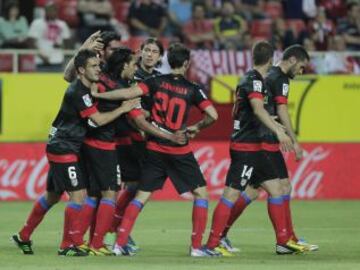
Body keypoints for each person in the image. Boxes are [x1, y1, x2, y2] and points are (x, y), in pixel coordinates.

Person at [91, 43, 219, 257]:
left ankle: (119, 243)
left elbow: (126, 93)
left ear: (168, 61)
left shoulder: (154, 82)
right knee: (201, 194)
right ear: (186, 64)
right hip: (179, 150)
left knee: (141, 196)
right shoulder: (193, 89)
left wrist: (100, 95)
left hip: (154, 149)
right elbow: (213, 115)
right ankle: (196, 247)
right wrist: (196, 127)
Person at [12, 49, 140, 256]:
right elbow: (97, 120)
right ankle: (68, 244)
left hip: (67, 146)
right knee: (79, 195)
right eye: (93, 66)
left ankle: (24, 235)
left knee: (52, 196)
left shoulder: (88, 87)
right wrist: (123, 109)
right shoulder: (79, 92)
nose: (99, 69)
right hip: (64, 147)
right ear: (81, 70)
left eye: (99, 65)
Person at [204, 41, 307, 256]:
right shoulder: (253, 80)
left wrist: (277, 126)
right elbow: (258, 110)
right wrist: (280, 133)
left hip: (257, 146)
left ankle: (282, 242)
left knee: (277, 189)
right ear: (270, 59)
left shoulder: (258, 80)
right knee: (231, 194)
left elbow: (258, 113)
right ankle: (213, 244)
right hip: (245, 147)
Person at [27, 3, 71, 70]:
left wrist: (61, 46)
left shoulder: (62, 24)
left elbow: (68, 43)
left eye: (54, 10)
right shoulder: (37, 23)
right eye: (49, 10)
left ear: (57, 11)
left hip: (57, 61)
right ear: (45, 11)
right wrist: (41, 56)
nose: (52, 12)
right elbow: (30, 42)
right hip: (40, 61)